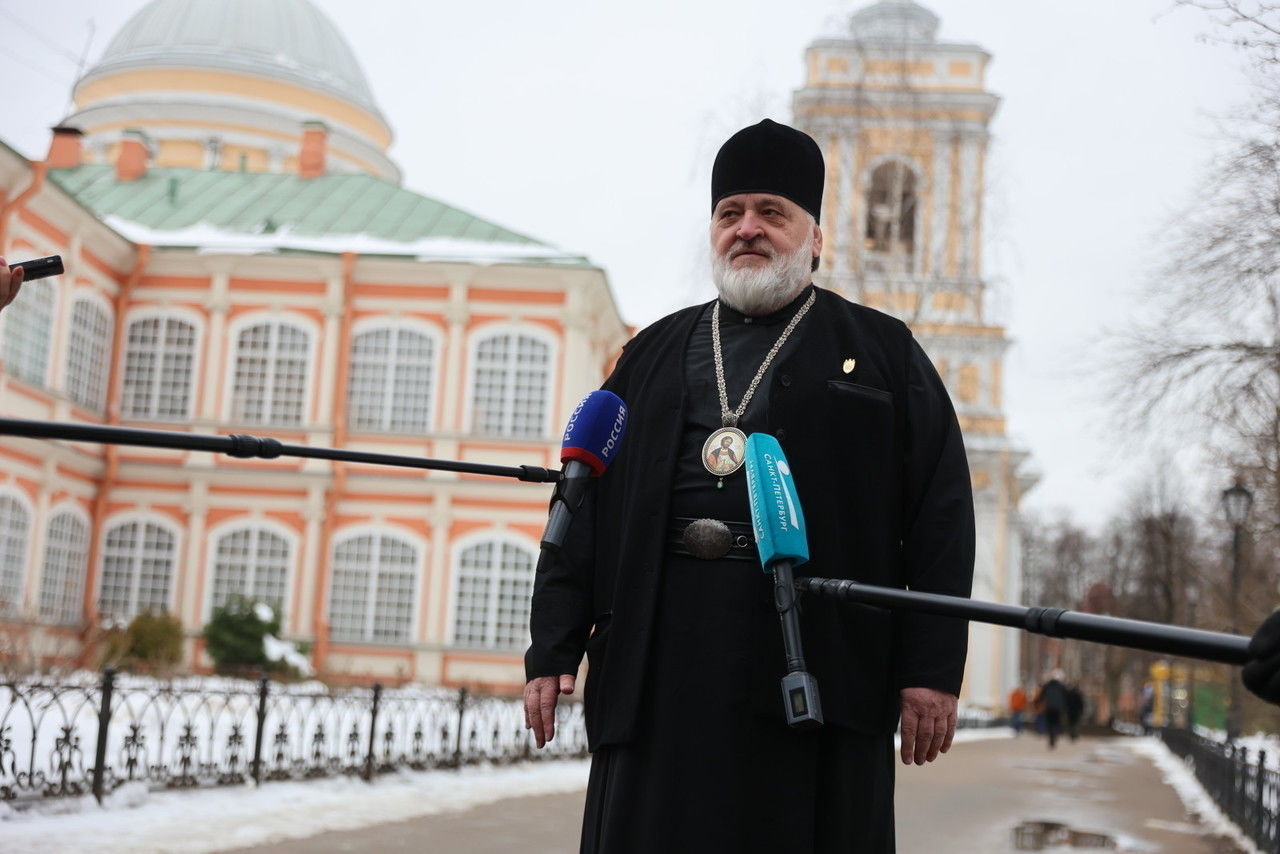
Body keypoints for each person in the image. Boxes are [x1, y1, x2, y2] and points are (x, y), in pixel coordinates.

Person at [524, 119, 975, 853]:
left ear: (815, 237)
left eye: (773, 212)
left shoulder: (882, 352)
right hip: (659, 660)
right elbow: (581, 505)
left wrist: (929, 667)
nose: (748, 229)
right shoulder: (652, 352)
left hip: (815, 665)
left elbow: (941, 515)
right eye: (730, 213)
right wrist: (552, 648)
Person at [1039, 671, 1068, 749]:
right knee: (1056, 723)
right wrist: (1065, 707)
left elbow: (1041, 696)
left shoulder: (1047, 686)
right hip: (1058, 708)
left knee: (1050, 723)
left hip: (1049, 707)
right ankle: (1055, 735)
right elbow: (1066, 697)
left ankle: (1052, 737)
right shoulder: (1062, 686)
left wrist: (1038, 702)